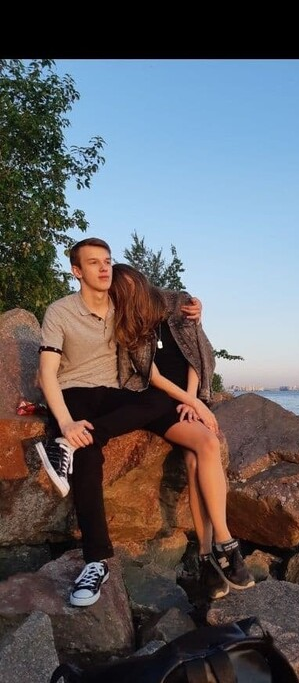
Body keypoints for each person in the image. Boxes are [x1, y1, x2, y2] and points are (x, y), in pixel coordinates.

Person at [35, 238, 207, 607]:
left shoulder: (123, 304)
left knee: (159, 398)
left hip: (114, 393)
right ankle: (96, 562)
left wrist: (195, 305)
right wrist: (65, 423)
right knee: (86, 454)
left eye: (107, 261)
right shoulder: (60, 312)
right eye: (93, 263)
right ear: (76, 271)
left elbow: (169, 300)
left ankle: (78, 440)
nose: (103, 268)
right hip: (73, 391)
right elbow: (47, 373)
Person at [110, 264, 255, 601]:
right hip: (156, 402)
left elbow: (197, 355)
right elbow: (152, 376)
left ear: (143, 283)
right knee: (207, 442)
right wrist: (194, 405)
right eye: (124, 295)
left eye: (135, 288)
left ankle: (206, 559)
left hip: (187, 398)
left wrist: (194, 401)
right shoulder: (128, 325)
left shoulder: (177, 304)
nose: (134, 298)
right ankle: (226, 544)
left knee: (193, 461)